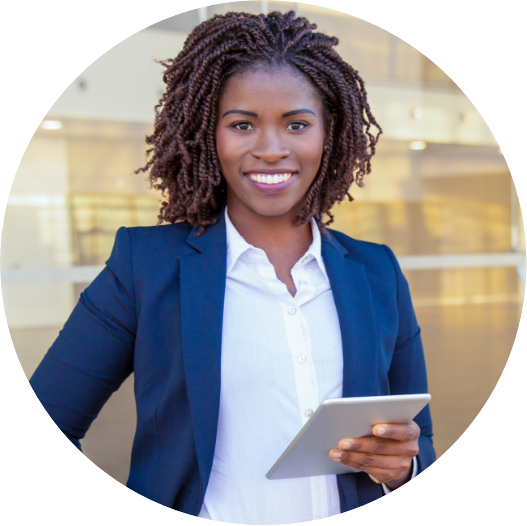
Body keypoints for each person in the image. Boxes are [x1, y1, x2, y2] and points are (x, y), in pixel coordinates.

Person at [30, 10, 435, 524]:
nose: (271, 149)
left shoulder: (376, 272)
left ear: (327, 135)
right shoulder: (147, 266)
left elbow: (420, 444)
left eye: (297, 123)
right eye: (242, 124)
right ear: (207, 135)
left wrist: (404, 468)